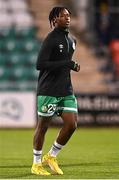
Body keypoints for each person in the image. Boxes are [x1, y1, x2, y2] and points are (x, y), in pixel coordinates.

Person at [31, 6, 80, 176]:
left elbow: (65, 64)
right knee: (43, 126)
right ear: (54, 20)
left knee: (72, 124)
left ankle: (51, 156)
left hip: (66, 89)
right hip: (48, 90)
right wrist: (67, 64)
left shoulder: (73, 40)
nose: (67, 18)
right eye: (62, 16)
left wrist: (70, 65)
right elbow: (40, 65)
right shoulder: (50, 39)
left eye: (68, 15)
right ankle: (36, 164)